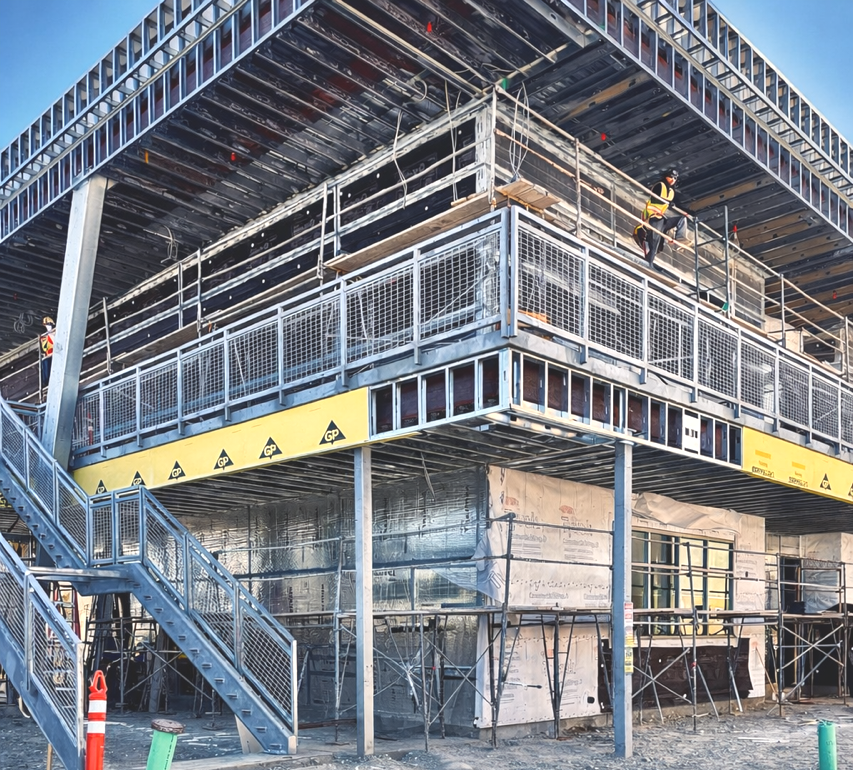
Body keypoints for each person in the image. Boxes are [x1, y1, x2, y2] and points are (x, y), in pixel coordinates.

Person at [632, 168, 688, 267]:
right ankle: (650, 263)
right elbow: (655, 198)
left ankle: (680, 240)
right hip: (652, 217)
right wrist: (667, 202)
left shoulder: (671, 191)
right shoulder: (659, 185)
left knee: (682, 219)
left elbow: (668, 203)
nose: (673, 180)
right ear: (666, 176)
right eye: (671, 177)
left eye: (675, 178)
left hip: (662, 219)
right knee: (655, 241)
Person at [40, 316, 55, 385]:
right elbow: (45, 347)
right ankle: (46, 382)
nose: (47, 326)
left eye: (49, 324)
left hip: (54, 354)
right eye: (46, 324)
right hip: (48, 354)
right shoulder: (44, 337)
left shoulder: (55, 333)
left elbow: (54, 342)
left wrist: (51, 333)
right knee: (45, 363)